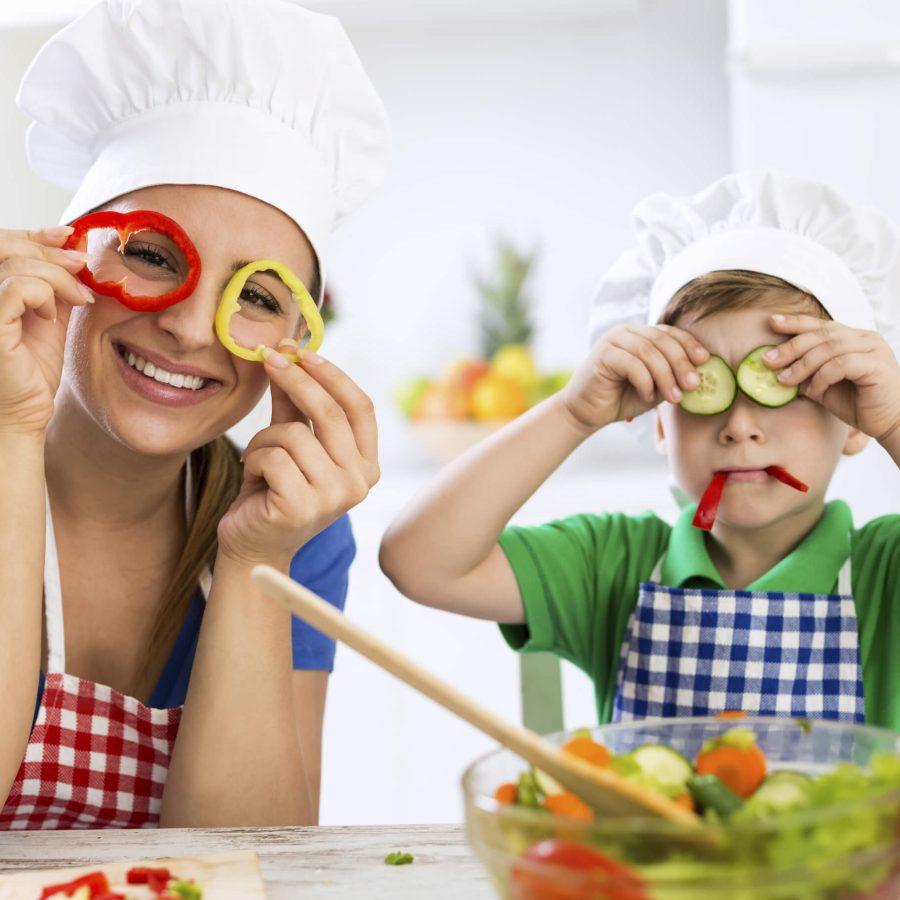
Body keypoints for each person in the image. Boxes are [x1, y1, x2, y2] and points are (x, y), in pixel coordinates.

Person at [0, 0, 389, 829]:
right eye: (149, 255)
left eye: (254, 296)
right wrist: (11, 431)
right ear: (66, 256)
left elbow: (256, 856)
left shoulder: (294, 526)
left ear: (295, 341)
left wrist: (255, 559)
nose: (184, 326)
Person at [380, 172, 900, 729]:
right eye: (702, 386)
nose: (739, 426)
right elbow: (419, 564)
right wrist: (574, 413)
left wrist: (895, 421)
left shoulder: (884, 570)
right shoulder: (614, 563)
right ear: (657, 421)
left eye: (786, 385)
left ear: (852, 421)